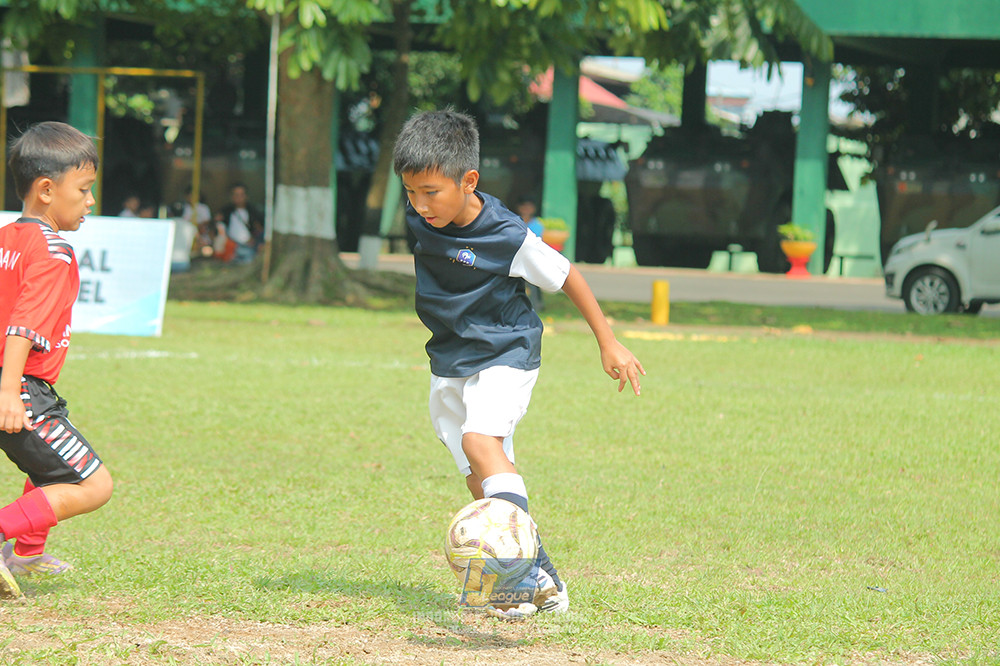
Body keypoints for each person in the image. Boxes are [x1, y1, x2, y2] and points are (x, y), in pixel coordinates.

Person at [392, 110, 645, 620]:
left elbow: (566, 274)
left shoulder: (506, 235)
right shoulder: (422, 218)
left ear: (469, 182)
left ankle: (515, 581)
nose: (419, 206)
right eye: (410, 194)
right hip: (451, 357)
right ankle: (544, 578)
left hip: (506, 351)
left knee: (479, 442)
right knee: (477, 479)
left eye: (430, 193)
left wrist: (608, 342)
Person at [0, 122, 115, 597]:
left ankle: (25, 555)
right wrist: (10, 391)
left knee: (48, 469)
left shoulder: (7, 238)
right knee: (93, 485)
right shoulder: (54, 252)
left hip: (16, 385)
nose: (90, 201)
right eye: (84, 190)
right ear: (47, 190)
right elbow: (23, 324)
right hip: (19, 388)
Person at [214, 183, 264, 264]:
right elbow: (219, 229)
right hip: (232, 246)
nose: (239, 198)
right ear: (232, 197)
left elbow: (260, 229)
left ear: (246, 196)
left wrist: (255, 240)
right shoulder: (226, 212)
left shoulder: (253, 211)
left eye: (242, 195)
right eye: (236, 195)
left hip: (250, 245)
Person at [516, 198, 546, 310]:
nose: (527, 210)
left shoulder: (537, 225)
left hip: (533, 258)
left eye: (529, 207)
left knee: (534, 283)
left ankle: (536, 304)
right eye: (524, 206)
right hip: (518, 257)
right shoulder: (516, 222)